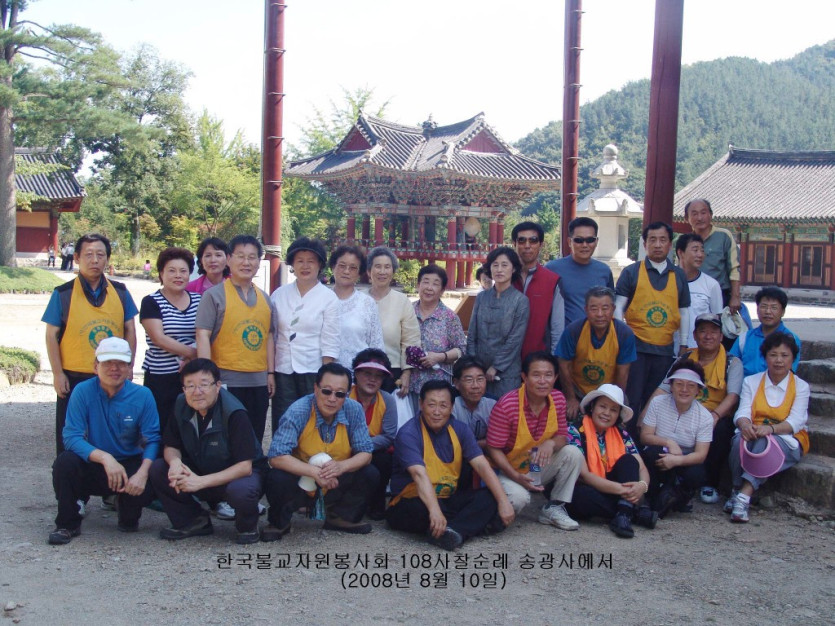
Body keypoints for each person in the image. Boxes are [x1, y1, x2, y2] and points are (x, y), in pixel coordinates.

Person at [48, 337, 159, 545]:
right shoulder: (82, 391)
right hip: (96, 462)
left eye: (121, 363)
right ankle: (67, 523)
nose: (114, 368)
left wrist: (142, 473)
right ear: (95, 366)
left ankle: (125, 506)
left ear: (129, 367)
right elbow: (71, 436)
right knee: (65, 462)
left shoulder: (143, 395)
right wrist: (105, 458)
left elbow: (152, 439)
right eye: (107, 362)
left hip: (128, 465)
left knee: (131, 521)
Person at [149, 359, 267, 544]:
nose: (197, 392)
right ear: (183, 389)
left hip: (236, 475)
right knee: (159, 468)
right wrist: (175, 463)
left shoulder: (234, 412)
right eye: (190, 386)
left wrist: (200, 482)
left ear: (217, 386)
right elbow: (171, 445)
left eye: (204, 385)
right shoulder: (181, 404)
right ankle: (193, 521)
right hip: (201, 468)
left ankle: (247, 526)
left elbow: (245, 467)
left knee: (242, 490)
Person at [387, 380, 515, 550]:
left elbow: (482, 465)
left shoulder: (460, 429)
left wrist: (503, 501)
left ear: (452, 407)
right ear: (421, 404)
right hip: (413, 500)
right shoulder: (408, 433)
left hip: (447, 497)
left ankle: (452, 531)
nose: (437, 412)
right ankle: (467, 526)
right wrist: (434, 511)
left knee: (490, 497)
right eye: (431, 405)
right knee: (421, 511)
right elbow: (419, 474)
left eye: (443, 405)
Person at [43, 233, 138, 456]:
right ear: (76, 258)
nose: (95, 260)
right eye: (88, 254)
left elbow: (130, 330)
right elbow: (51, 336)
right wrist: (57, 373)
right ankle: (71, 477)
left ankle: (110, 476)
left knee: (111, 433)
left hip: (112, 375)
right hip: (73, 376)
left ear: (107, 259)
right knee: (71, 436)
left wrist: (129, 366)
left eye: (100, 255)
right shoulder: (63, 294)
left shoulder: (121, 292)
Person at [262, 363, 378, 539]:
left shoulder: (354, 409)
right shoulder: (299, 410)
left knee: (370, 473)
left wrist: (341, 467)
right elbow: (276, 456)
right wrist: (315, 473)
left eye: (340, 394)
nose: (332, 398)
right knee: (276, 477)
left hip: (336, 480)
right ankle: (280, 522)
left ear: (347, 394)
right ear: (316, 388)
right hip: (301, 480)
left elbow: (366, 453)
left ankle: (340, 516)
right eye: (326, 391)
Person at [644, 313, 744, 504]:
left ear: (721, 336)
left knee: (721, 429)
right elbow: (664, 388)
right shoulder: (686, 357)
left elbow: (733, 396)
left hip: (712, 414)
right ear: (695, 335)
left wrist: (715, 415)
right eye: (703, 331)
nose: (708, 336)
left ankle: (710, 483)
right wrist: (643, 415)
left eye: (713, 331)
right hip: (680, 407)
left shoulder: (732, 362)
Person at [485, 352, 584, 530]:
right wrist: (514, 476)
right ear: (524, 377)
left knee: (573, 453)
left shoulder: (558, 399)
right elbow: (493, 449)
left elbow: (562, 436)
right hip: (506, 470)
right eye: (536, 375)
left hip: (535, 467)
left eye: (548, 375)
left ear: (555, 378)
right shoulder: (507, 405)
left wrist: (550, 443)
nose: (542, 381)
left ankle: (554, 507)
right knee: (519, 499)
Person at [195, 235, 277, 444]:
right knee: (226, 438)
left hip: (258, 381)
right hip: (226, 379)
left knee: (254, 436)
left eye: (252, 257)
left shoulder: (265, 298)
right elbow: (202, 334)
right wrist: (206, 376)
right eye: (240, 256)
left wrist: (270, 373)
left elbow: (269, 336)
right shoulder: (214, 296)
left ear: (259, 262)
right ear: (229, 260)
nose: (246, 262)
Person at [726, 332, 809, 523]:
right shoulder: (751, 382)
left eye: (784, 355)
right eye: (773, 355)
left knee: (764, 443)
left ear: (792, 359)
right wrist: (745, 425)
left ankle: (743, 494)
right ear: (765, 357)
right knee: (739, 440)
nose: (779, 360)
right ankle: (737, 490)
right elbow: (743, 411)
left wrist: (770, 429)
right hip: (754, 432)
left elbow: (795, 422)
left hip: (787, 438)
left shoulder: (801, 386)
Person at [616, 222, 691, 430]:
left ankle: (649, 442)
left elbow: (684, 311)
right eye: (652, 240)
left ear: (670, 244)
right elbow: (618, 306)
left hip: (665, 350)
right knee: (631, 398)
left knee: (657, 402)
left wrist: (683, 343)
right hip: (636, 348)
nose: (657, 245)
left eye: (662, 240)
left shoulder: (679, 275)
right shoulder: (631, 272)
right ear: (644, 244)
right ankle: (627, 441)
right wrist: (622, 337)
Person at [566, 384, 656, 538]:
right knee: (579, 496)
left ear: (618, 414)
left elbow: (641, 468)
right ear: (592, 406)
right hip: (589, 486)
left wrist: (642, 486)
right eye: (602, 406)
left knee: (628, 460)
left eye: (613, 410)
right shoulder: (574, 430)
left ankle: (623, 513)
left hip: (615, 488)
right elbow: (585, 476)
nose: (607, 413)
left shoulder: (622, 434)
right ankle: (631, 512)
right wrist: (624, 490)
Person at [270, 237, 340, 432]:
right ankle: (282, 451)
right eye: (300, 260)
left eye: (311, 261)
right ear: (292, 264)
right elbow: (272, 335)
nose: (305, 266)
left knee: (311, 421)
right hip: (283, 368)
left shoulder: (328, 298)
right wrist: (270, 371)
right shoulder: (279, 295)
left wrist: (326, 376)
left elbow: (330, 339)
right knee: (284, 419)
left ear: (320, 265)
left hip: (313, 369)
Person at [140, 247, 200, 437]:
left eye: (183, 271)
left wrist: (193, 359)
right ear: (161, 273)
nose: (178, 276)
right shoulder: (151, 301)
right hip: (161, 375)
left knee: (190, 425)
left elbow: (207, 333)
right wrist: (192, 353)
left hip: (192, 375)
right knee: (162, 425)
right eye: (172, 271)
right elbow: (158, 338)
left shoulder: (199, 300)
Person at [640, 361, 712, 518]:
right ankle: (652, 495)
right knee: (651, 453)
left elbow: (701, 454)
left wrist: (676, 460)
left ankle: (679, 496)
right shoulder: (657, 403)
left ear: (698, 390)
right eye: (679, 384)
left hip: (684, 461)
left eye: (691, 386)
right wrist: (668, 442)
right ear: (671, 386)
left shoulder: (705, 417)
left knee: (697, 473)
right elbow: (645, 436)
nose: (684, 390)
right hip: (661, 455)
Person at [556, 286, 637, 421]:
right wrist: (570, 398)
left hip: (608, 390)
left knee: (617, 419)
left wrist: (614, 402)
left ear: (613, 309)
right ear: (586, 310)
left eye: (605, 308)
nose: (600, 314)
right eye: (594, 309)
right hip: (577, 389)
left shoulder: (624, 333)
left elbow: (623, 373)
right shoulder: (574, 330)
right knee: (569, 417)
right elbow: (564, 365)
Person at [467, 246, 530, 397]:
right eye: (495, 265)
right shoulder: (482, 297)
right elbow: (472, 332)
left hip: (506, 373)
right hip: (478, 371)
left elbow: (515, 340)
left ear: (513, 269)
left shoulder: (520, 301)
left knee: (504, 409)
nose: (499, 270)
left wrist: (496, 366)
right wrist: (472, 364)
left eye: (504, 265)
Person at [349, 349, 398, 520]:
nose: (372, 379)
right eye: (367, 373)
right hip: (344, 448)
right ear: (356, 373)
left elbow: (389, 435)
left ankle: (376, 504)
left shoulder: (388, 400)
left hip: (373, 450)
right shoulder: (344, 396)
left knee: (384, 460)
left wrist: (362, 446)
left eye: (378, 376)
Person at [367, 246, 421, 397]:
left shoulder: (402, 301)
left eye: (387, 267)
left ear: (393, 271)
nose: (382, 271)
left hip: (392, 371)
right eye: (378, 266)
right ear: (369, 271)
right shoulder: (359, 299)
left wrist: (407, 373)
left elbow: (411, 341)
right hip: (361, 370)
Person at [409, 264, 466, 403]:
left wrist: (439, 357)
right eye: (425, 282)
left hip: (438, 389)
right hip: (409, 385)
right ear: (418, 285)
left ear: (442, 290)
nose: (429, 288)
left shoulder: (449, 317)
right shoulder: (407, 311)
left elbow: (461, 349)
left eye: (435, 284)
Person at [545, 216, 615, 328]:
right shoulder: (552, 269)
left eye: (590, 240)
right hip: (565, 336)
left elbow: (611, 305)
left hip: (598, 335)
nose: (585, 245)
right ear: (569, 242)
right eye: (579, 240)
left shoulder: (604, 271)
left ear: (596, 242)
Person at [510, 221, 563, 359]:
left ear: (541, 244)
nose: (527, 245)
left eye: (533, 240)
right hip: (505, 361)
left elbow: (557, 327)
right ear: (514, 244)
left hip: (539, 360)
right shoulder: (505, 279)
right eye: (522, 240)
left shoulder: (552, 281)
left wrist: (554, 360)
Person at [328, 245, 385, 371]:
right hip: (324, 375)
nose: (346, 271)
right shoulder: (322, 299)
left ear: (359, 273)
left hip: (358, 374)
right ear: (333, 267)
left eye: (353, 268)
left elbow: (376, 345)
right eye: (342, 266)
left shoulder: (367, 303)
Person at [684, 198, 741, 313]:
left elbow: (734, 268)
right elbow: (681, 268)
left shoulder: (724, 236)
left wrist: (735, 296)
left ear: (710, 215)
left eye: (703, 213)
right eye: (694, 214)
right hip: (692, 294)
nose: (699, 218)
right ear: (686, 218)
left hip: (720, 293)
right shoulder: (686, 241)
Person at [730, 286, 801, 377]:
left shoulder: (791, 339)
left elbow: (789, 372)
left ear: (783, 312)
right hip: (745, 385)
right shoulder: (744, 338)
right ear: (757, 310)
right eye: (764, 306)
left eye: (774, 308)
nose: (768, 311)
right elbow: (731, 366)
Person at [675, 233, 722, 350]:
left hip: (698, 350)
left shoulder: (711, 285)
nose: (700, 255)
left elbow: (717, 320)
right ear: (680, 253)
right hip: (668, 348)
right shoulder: (668, 281)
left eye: (702, 250)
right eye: (695, 250)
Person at [451, 356, 497, 448]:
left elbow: (498, 439)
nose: (475, 386)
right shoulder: (449, 404)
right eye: (469, 380)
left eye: (480, 379)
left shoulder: (494, 404)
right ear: (456, 383)